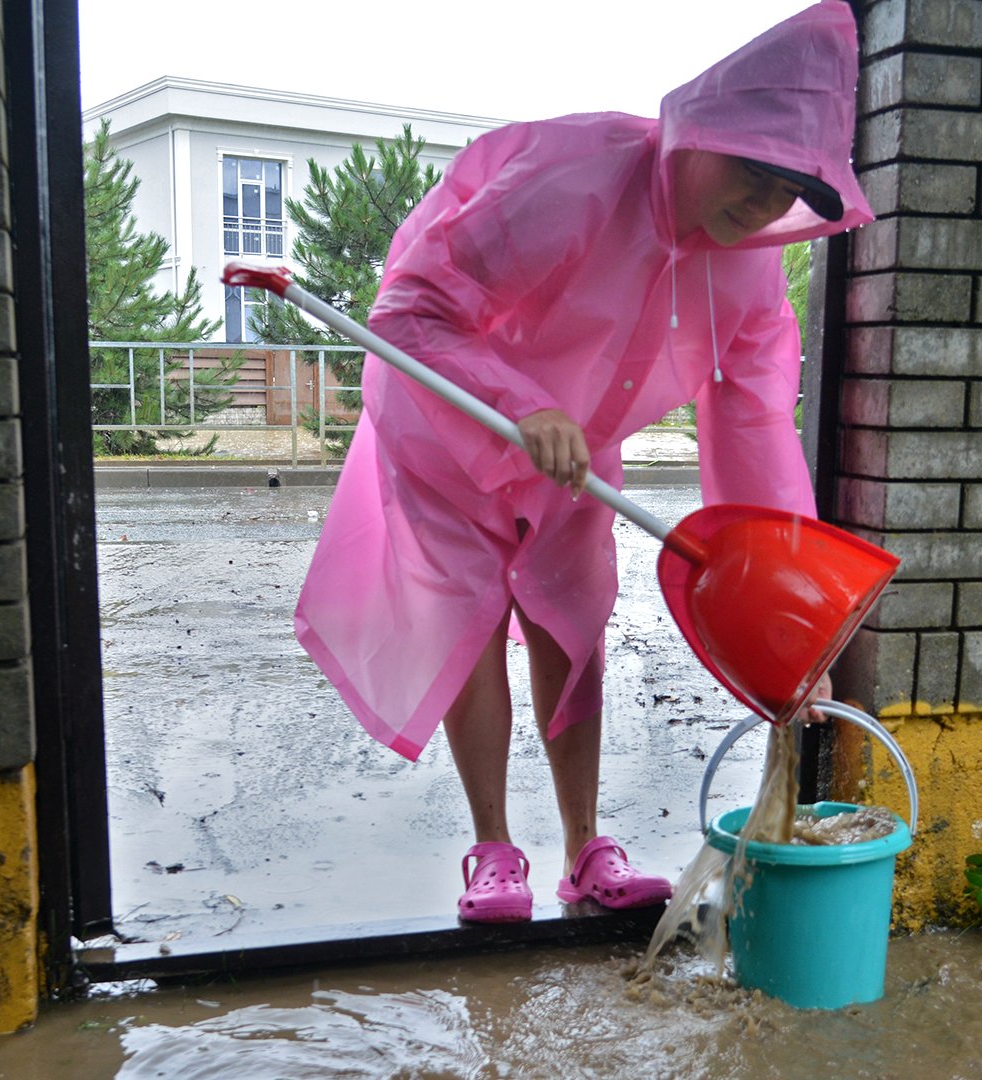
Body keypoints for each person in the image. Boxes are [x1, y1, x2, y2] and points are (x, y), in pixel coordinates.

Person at [293, 1, 872, 922]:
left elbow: (755, 430)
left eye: (789, 191)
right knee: (469, 615)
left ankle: (583, 850)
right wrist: (520, 406)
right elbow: (410, 311)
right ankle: (493, 850)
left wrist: (790, 616)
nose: (763, 207)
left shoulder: (751, 268)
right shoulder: (570, 179)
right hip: (449, 422)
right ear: (697, 133)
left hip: (574, 453)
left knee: (575, 625)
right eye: (752, 173)